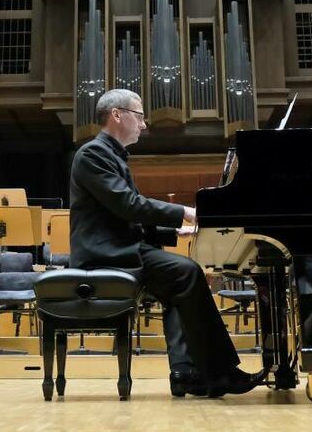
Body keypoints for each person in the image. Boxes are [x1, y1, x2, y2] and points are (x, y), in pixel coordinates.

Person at [69, 88, 265, 398]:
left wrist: (175, 234)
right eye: (140, 116)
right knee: (187, 273)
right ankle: (220, 373)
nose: (144, 125)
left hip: (119, 248)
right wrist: (186, 212)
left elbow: (123, 218)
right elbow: (129, 206)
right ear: (117, 115)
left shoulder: (110, 154)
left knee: (180, 281)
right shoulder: (92, 154)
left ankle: (186, 373)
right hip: (104, 256)